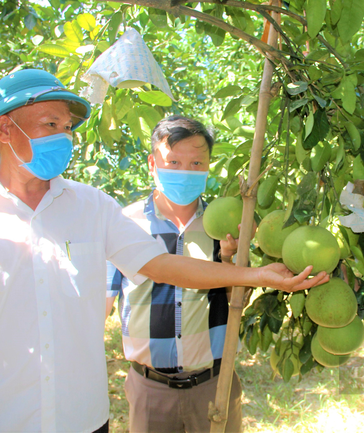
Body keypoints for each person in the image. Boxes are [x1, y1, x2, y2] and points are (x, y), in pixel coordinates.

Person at [0, 69, 328, 433]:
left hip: (82, 418)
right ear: (6, 128)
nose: (64, 136)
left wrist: (254, 274)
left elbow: (163, 265)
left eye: (68, 127)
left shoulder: (92, 207)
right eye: (50, 125)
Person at [106, 115, 245, 433]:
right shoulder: (124, 224)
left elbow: (240, 302)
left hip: (214, 384)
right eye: (174, 161)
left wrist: (227, 260)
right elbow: (101, 302)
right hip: (150, 389)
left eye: (197, 163)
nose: (185, 171)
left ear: (209, 166)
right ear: (153, 163)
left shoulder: (222, 226)